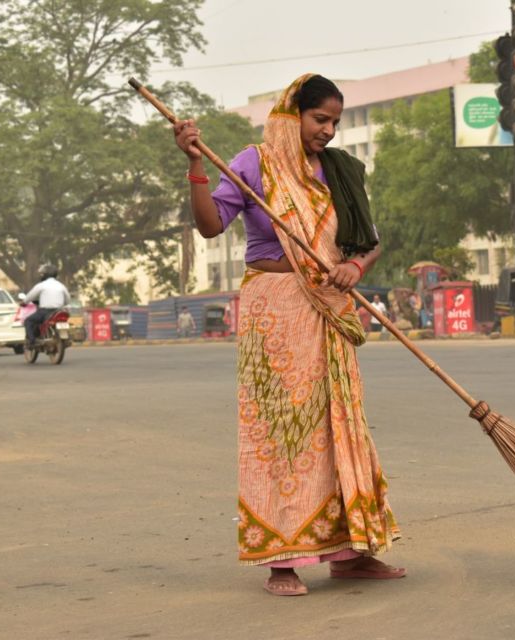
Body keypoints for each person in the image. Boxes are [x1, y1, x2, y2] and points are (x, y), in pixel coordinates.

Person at [173, 74, 404, 597]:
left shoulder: (340, 170)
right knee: (282, 432)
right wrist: (194, 165)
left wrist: (355, 267)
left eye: (335, 122)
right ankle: (282, 560)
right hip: (274, 310)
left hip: (328, 307)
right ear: (291, 112)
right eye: (320, 119)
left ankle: (350, 553)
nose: (328, 130)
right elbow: (211, 227)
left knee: (338, 425)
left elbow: (370, 242)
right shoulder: (254, 162)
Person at [21, 264, 70, 348]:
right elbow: (67, 300)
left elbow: (30, 296)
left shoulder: (41, 285)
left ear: (45, 274)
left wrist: (24, 302)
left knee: (28, 321)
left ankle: (32, 341)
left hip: (45, 312)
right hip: (59, 311)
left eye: (42, 273)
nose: (41, 275)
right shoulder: (61, 286)